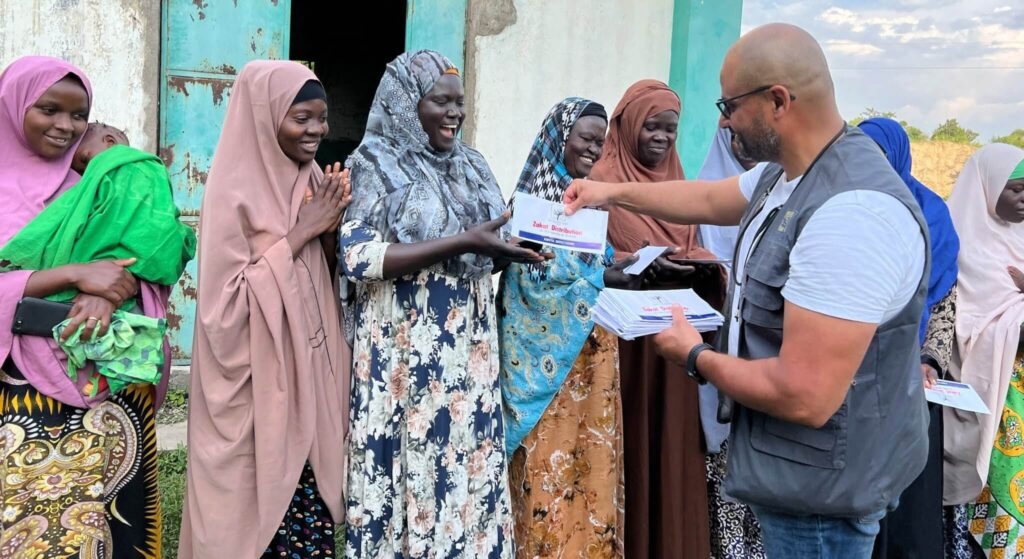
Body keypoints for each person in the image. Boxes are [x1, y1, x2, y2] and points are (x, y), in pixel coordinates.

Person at [562, 23, 930, 558]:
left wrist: (693, 356)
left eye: (729, 104)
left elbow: (804, 394)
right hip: (798, 477)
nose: (724, 119)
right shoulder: (791, 174)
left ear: (777, 101)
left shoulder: (851, 214)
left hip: (821, 503)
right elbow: (711, 200)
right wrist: (608, 190)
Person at [341, 50, 542, 558]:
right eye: (440, 101)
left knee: (461, 472)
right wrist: (464, 241)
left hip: (467, 358)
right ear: (407, 104)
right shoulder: (371, 165)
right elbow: (358, 257)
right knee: (407, 469)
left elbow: (494, 243)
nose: (455, 113)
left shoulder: (472, 165)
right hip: (402, 354)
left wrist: (515, 248)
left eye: (459, 103)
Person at [0, 55, 179, 558]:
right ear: (14, 109)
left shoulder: (103, 183)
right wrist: (73, 275)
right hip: (23, 395)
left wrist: (110, 287)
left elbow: (155, 256)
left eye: (79, 115)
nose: (66, 127)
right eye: (49, 110)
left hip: (109, 385)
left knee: (116, 525)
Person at [179, 60, 352, 559]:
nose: (317, 130)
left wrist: (332, 231)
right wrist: (301, 232)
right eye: (302, 117)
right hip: (253, 395)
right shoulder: (232, 192)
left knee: (306, 523)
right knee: (245, 524)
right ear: (264, 114)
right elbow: (224, 310)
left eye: (322, 118)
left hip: (305, 386)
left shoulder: (312, 178)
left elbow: (320, 280)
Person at [586, 80, 727, 559]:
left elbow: (693, 244)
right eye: (652, 127)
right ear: (627, 127)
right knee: (628, 444)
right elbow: (585, 261)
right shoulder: (600, 182)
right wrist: (635, 260)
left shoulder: (676, 184)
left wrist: (698, 266)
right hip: (624, 349)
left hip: (672, 345)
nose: (663, 138)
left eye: (671, 129)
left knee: (667, 450)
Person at [856, 117, 960, 559]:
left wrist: (930, 360)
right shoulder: (848, 210)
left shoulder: (930, 213)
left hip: (914, 383)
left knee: (909, 514)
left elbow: (944, 301)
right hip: (853, 385)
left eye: (879, 158)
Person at [941, 144, 1024, 558]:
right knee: (989, 488)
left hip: (1018, 400)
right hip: (990, 394)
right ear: (988, 189)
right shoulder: (960, 246)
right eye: (1018, 190)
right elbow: (963, 325)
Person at [697, 127, 758, 267]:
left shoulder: (779, 186)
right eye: (736, 138)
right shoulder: (704, 192)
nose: (747, 146)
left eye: (753, 136)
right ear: (723, 141)